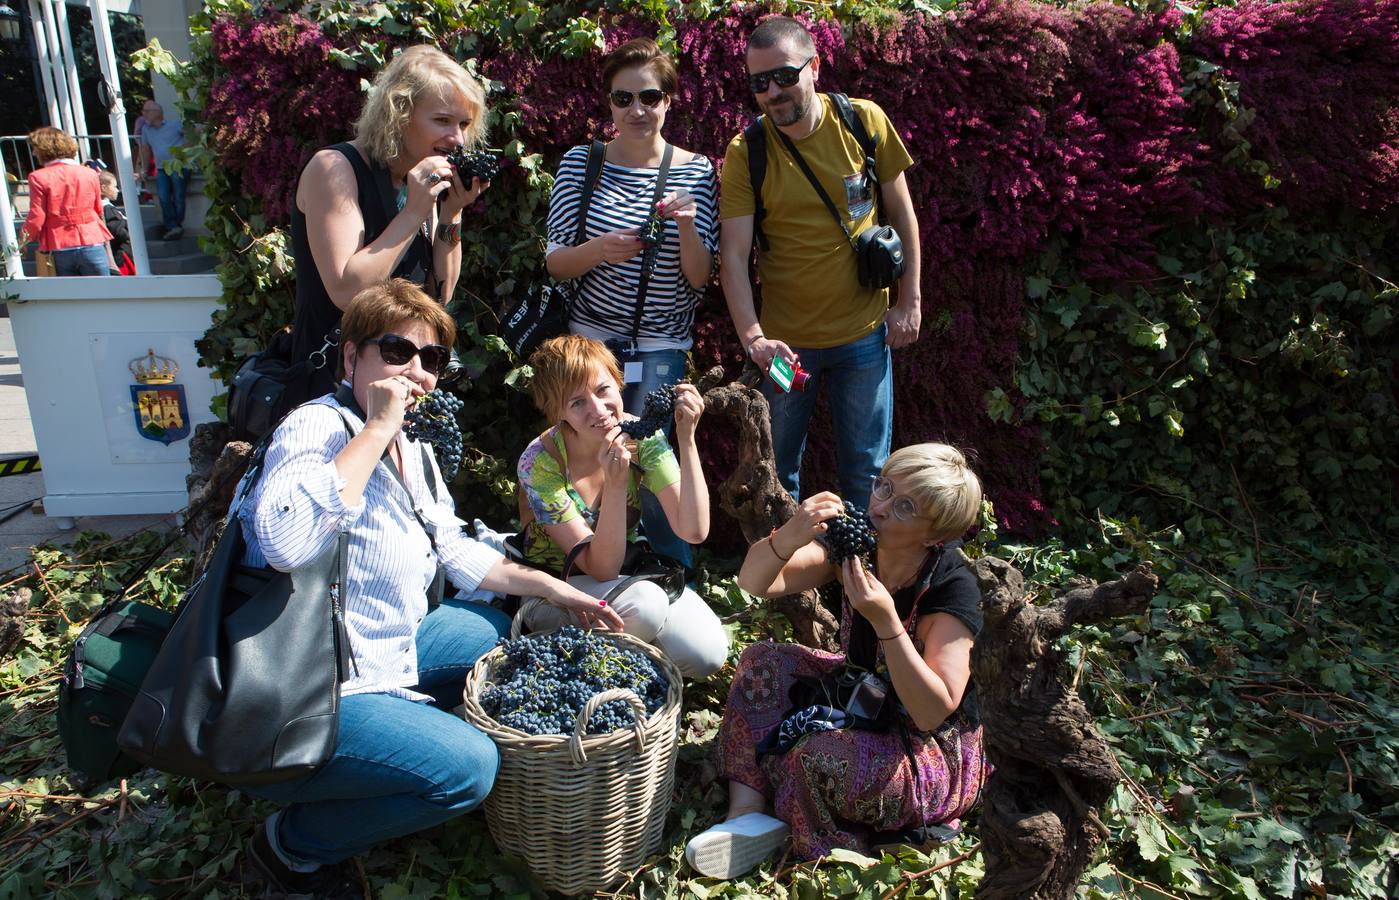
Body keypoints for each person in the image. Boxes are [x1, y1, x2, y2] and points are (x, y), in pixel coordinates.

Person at [236, 279, 624, 894]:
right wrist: (373, 430)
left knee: (492, 634)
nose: (416, 371)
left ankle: (399, 751)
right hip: (311, 686)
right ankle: (293, 844)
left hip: (380, 646)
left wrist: (556, 588)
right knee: (471, 769)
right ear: (350, 357)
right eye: (397, 351)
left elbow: (456, 550)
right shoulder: (317, 430)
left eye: (431, 359)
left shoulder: (412, 451)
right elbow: (283, 542)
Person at [684, 444, 987, 878]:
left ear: (935, 534)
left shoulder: (953, 589)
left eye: (904, 506)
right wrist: (792, 533)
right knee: (762, 662)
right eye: (883, 486)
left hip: (924, 749)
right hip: (860, 693)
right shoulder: (858, 542)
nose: (880, 506)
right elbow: (754, 582)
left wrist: (886, 621)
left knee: (818, 756)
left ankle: (822, 844)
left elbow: (931, 710)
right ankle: (746, 813)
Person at [718, 16, 923, 509]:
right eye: (759, 83)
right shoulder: (748, 152)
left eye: (785, 76)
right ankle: (784, 578)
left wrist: (909, 300)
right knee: (776, 467)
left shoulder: (863, 121)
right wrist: (755, 340)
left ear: (815, 67)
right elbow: (732, 254)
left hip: (865, 338)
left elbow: (903, 214)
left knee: (867, 467)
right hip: (786, 350)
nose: (773, 92)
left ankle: (859, 573)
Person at [545, 36, 719, 564]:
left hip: (659, 345)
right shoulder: (583, 163)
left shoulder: (696, 171)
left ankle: (670, 574)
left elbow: (699, 278)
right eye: (624, 98)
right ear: (609, 104)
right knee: (589, 457)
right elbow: (555, 261)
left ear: (668, 100)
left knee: (656, 462)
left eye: (649, 97)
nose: (637, 110)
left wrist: (688, 227)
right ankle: (591, 570)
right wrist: (598, 250)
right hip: (592, 341)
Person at [514, 334, 729, 679]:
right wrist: (616, 485)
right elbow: (600, 569)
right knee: (646, 606)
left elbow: (694, 529)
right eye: (577, 403)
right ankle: (595, 680)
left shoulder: (640, 436)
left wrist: (686, 437)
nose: (598, 411)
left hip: (626, 578)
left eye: (602, 390)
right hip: (557, 588)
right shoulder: (540, 462)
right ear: (557, 412)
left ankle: (632, 655)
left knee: (707, 653)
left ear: (618, 382)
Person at [287, 44, 489, 407]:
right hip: (333, 390)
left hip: (404, 385)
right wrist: (412, 213)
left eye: (463, 124)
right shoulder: (334, 168)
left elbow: (439, 296)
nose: (458, 139)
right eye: (442, 120)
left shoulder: (418, 180)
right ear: (399, 114)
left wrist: (451, 214)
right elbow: (347, 291)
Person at [19, 127, 112, 277]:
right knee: (103, 296)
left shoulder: (38, 177)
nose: (34, 153)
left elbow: (37, 216)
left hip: (60, 245)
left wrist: (22, 241)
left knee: (69, 298)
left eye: (35, 148)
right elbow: (98, 210)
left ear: (44, 149)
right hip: (92, 241)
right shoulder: (90, 173)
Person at [136, 101, 188, 241]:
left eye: (147, 111)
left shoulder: (175, 125)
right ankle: (172, 226)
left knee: (178, 196)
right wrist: (144, 169)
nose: (144, 114)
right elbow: (146, 149)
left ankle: (177, 225)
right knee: (163, 197)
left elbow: (191, 135)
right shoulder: (146, 129)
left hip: (178, 166)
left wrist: (186, 153)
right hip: (161, 168)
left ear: (157, 112)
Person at [97, 171, 132, 275]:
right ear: (103, 188)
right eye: (114, 186)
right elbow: (119, 232)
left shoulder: (104, 207)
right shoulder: (108, 209)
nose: (117, 190)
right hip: (120, 256)